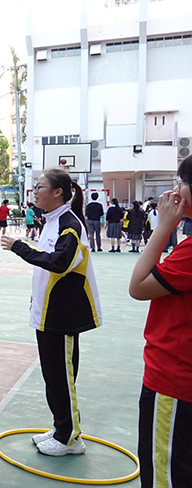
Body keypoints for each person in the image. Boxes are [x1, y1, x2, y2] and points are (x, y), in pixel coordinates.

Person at [1, 168, 101, 457]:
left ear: (58, 192)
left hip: (63, 315)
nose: (34, 191)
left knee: (62, 377)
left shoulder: (69, 225)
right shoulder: (51, 221)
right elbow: (46, 272)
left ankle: (70, 438)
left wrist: (19, 247)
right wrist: (36, 300)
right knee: (53, 376)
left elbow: (59, 263)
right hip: (47, 312)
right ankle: (61, 428)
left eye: (39, 187)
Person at [128, 158, 192, 488]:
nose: (176, 189)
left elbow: (138, 287)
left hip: (174, 380)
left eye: (181, 182)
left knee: (165, 476)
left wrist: (164, 226)